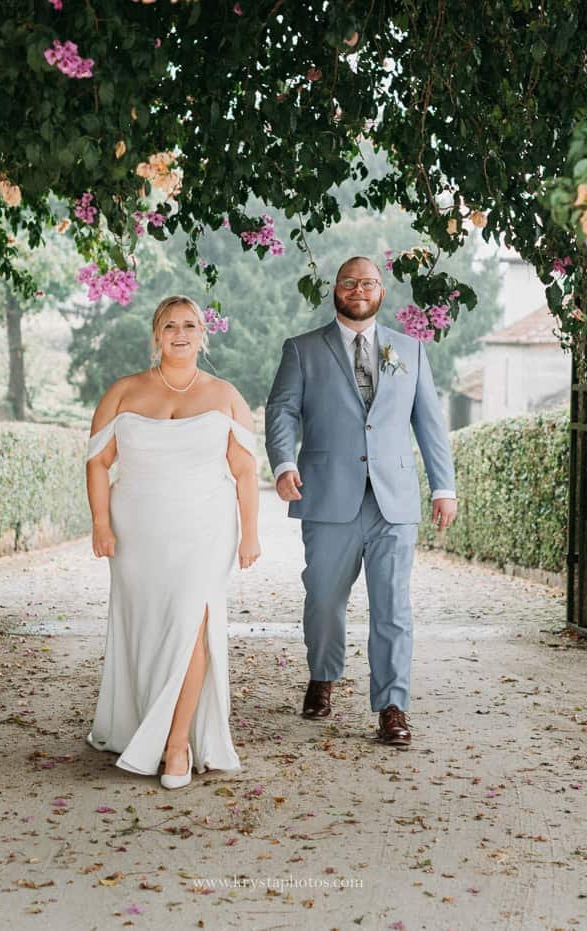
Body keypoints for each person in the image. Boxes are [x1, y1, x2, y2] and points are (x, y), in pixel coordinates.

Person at [264, 256, 457, 746]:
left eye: (368, 282)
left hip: (394, 501)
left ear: (381, 290)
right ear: (337, 289)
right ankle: (322, 676)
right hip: (327, 495)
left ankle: (393, 705)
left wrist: (444, 486)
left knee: (393, 606)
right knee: (325, 599)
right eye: (350, 282)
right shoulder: (303, 349)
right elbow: (283, 411)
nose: (358, 289)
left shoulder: (410, 350)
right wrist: (285, 464)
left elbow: (430, 423)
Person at [84, 295, 261, 789]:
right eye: (169, 326)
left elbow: (245, 472)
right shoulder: (123, 392)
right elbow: (98, 463)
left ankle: (178, 744)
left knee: (192, 625)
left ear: (203, 335)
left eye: (189, 325)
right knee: (149, 630)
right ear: (155, 335)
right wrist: (102, 523)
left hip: (205, 528)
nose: (180, 334)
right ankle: (145, 721)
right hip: (138, 530)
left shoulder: (225, 394)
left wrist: (250, 533)